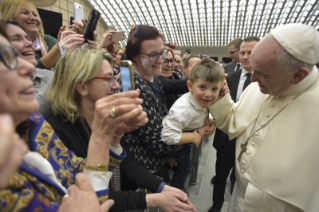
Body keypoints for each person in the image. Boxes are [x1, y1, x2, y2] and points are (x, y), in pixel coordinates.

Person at [0, 22, 146, 211]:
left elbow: (82, 179)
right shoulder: (57, 126)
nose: (30, 69)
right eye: (6, 58)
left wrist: (111, 137)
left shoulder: (34, 123)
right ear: (82, 86)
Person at [45, 48, 195, 212]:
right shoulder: (55, 133)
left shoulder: (105, 117)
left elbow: (126, 162)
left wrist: (161, 187)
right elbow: (87, 196)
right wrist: (151, 199)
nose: (116, 85)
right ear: (82, 86)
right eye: (109, 79)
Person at [209, 23, 319, 211]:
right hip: (240, 196)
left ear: (297, 75)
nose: (252, 79)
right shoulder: (257, 87)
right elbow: (233, 122)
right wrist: (220, 99)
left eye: (262, 74)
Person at [119, 25, 215, 173]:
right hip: (144, 170)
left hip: (158, 161)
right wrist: (197, 133)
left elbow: (162, 119)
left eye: (161, 52)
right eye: (152, 55)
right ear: (134, 56)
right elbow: (159, 142)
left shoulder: (154, 79)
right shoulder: (134, 85)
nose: (160, 60)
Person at [209, 36, 259, 212]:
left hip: (250, 139)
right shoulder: (230, 76)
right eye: (243, 52)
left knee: (240, 178)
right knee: (220, 174)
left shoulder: (265, 82)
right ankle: (216, 206)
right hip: (227, 137)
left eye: (250, 53)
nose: (245, 57)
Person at [161, 58, 222, 190]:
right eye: (203, 87)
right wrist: (195, 136)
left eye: (214, 89)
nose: (208, 95)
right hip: (177, 141)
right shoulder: (183, 110)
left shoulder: (199, 100)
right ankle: (175, 192)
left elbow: (204, 111)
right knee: (185, 168)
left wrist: (210, 120)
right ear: (190, 86)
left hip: (185, 136)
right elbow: (167, 136)